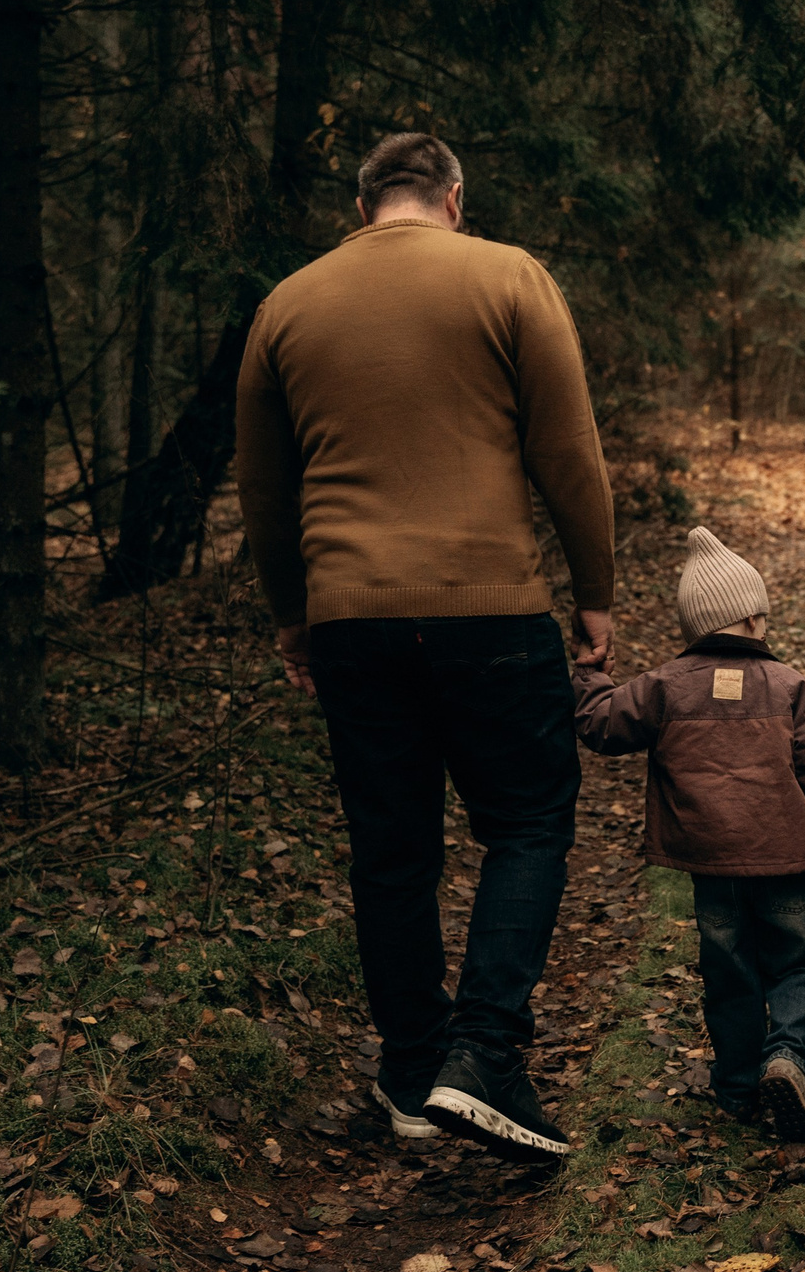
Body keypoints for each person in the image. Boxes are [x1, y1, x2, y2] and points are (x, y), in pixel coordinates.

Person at [234, 131, 613, 1162]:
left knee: (391, 847)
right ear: (454, 198)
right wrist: (596, 591)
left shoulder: (288, 304)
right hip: (489, 603)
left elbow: (265, 490)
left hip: (350, 615)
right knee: (529, 821)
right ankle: (484, 1051)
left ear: (361, 210)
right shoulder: (507, 276)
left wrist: (290, 612)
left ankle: (412, 1067)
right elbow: (566, 450)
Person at [571, 528, 805, 1142]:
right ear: (756, 617)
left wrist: (587, 676)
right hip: (787, 857)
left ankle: (738, 1085)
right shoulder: (789, 685)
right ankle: (788, 1053)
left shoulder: (662, 687)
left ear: (694, 627)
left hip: (712, 865)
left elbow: (603, 726)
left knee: (730, 971)